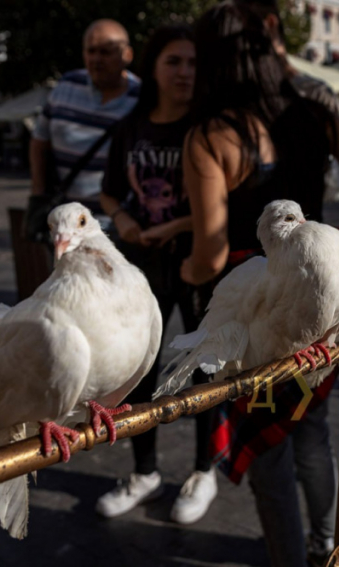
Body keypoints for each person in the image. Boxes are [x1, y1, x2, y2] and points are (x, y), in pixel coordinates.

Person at [182, 4, 339, 567]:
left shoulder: (211, 137)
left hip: (257, 314)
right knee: (313, 434)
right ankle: (328, 546)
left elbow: (209, 256)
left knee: (270, 453)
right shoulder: (313, 114)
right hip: (318, 307)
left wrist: (180, 274)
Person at [96, 25, 219, 525]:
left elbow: (225, 203)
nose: (185, 72)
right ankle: (144, 472)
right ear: (152, 67)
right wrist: (123, 219)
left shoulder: (209, 128)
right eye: (174, 61)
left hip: (197, 262)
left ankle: (205, 470)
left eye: (193, 62)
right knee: (136, 368)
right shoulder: (130, 128)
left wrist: (178, 225)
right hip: (140, 267)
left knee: (204, 366)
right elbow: (108, 191)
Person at [30, 19, 141, 209]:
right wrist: (38, 192)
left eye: (105, 52)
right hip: (66, 215)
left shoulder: (142, 99)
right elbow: (39, 141)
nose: (96, 59)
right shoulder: (66, 86)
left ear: (127, 55)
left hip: (119, 219)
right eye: (91, 51)